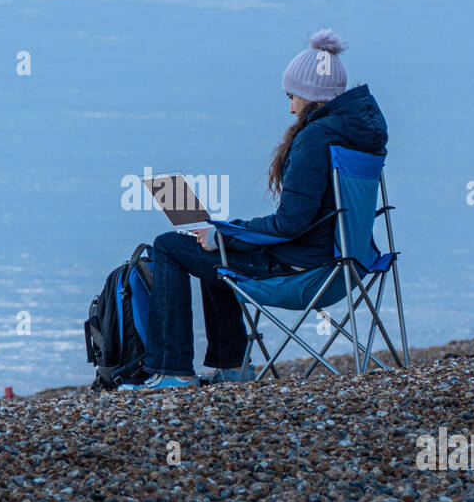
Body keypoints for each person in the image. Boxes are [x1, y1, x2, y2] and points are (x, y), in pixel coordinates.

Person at [123, 28, 389, 390]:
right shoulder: (356, 137)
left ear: (310, 95)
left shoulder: (315, 139)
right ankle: (231, 367)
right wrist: (225, 236)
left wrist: (224, 235)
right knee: (216, 250)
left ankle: (173, 371)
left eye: (292, 96)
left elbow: (291, 222)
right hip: (346, 266)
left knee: (170, 245)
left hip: (303, 273)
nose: (290, 107)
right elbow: (306, 221)